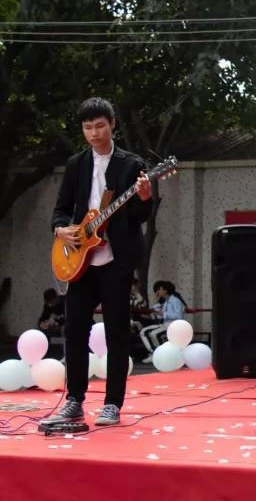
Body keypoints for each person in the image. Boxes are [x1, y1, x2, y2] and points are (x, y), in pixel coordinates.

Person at [44, 97, 152, 427]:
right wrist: (61, 229)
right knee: (75, 329)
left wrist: (144, 197)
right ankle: (74, 400)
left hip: (115, 259)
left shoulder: (132, 164)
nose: (94, 133)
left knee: (117, 331)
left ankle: (112, 404)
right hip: (81, 260)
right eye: (88, 127)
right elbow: (61, 209)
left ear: (112, 124)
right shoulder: (76, 164)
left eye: (100, 126)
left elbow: (141, 216)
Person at [139, 280, 186, 353]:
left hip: (174, 326)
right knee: (144, 331)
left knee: (154, 334)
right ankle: (154, 352)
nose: (158, 292)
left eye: (160, 289)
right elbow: (161, 316)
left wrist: (163, 314)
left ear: (165, 291)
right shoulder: (166, 302)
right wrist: (153, 314)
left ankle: (160, 353)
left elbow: (179, 316)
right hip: (166, 324)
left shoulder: (175, 301)